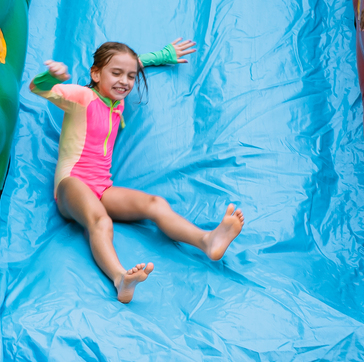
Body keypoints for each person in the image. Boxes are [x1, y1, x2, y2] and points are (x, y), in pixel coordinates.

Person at [30, 40, 244, 302]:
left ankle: (207, 240)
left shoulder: (116, 100)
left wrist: (163, 54)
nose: (125, 81)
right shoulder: (82, 98)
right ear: (95, 74)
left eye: (131, 77)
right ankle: (120, 278)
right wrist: (50, 77)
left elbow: (133, 62)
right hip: (70, 186)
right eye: (116, 74)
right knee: (101, 220)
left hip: (102, 188)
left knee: (155, 203)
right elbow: (38, 88)